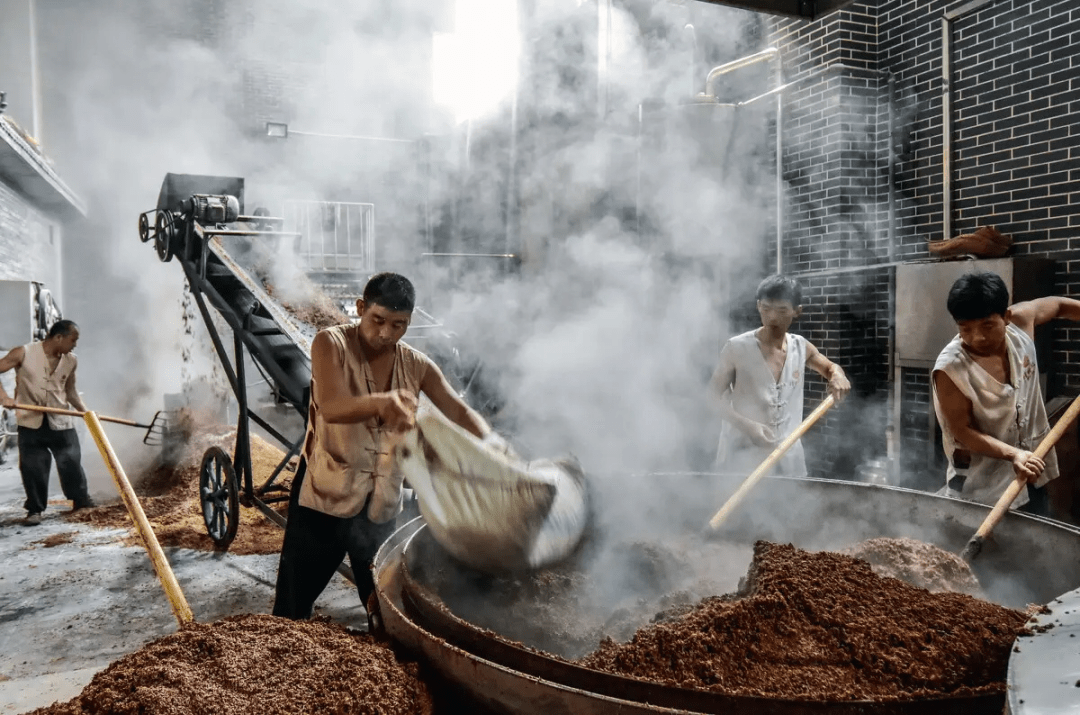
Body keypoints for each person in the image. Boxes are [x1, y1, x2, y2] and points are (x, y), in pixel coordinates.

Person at [273, 272, 493, 620]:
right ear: (360, 308)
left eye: (398, 325)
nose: (386, 333)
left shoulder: (417, 365)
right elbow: (331, 407)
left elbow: (460, 411)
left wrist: (493, 446)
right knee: (292, 606)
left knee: (388, 610)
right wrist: (382, 403)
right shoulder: (330, 344)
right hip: (324, 497)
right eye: (378, 321)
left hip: (380, 507)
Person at [932, 271, 1080, 513]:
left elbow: (1058, 305)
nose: (977, 337)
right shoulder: (950, 369)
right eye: (965, 328)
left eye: (987, 326)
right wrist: (1014, 455)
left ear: (1006, 316)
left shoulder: (1021, 323)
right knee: (993, 546)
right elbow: (962, 432)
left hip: (1033, 465)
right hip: (983, 485)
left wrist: (1023, 456)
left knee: (1036, 538)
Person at [709, 275, 851, 477]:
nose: (773, 317)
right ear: (758, 306)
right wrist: (747, 426)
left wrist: (838, 375)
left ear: (797, 311)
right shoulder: (736, 348)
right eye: (766, 309)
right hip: (742, 456)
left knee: (789, 507)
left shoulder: (800, 346)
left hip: (787, 457)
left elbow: (830, 368)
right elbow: (711, 398)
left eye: (782, 310)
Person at [0, 320, 93, 525]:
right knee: (33, 467)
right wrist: (4, 398)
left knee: (71, 462)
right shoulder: (23, 352)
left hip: (61, 419)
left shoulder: (71, 360)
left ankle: (81, 501)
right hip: (30, 421)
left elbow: (70, 392)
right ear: (58, 337)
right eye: (73, 340)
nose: (75, 345)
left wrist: (86, 413)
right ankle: (35, 510)